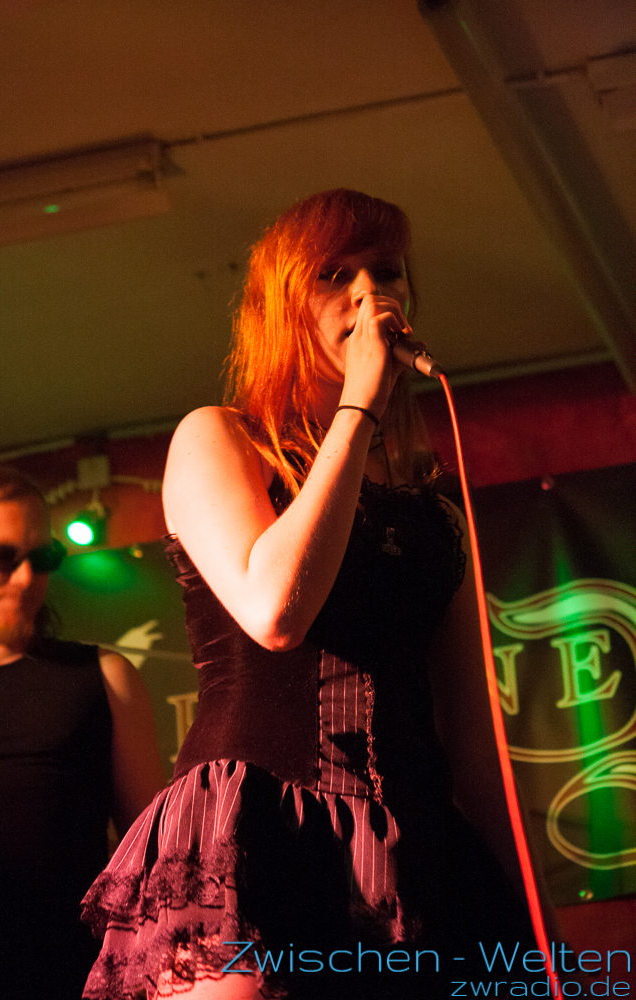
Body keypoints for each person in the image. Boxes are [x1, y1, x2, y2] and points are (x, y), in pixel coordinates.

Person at [81, 189, 551, 1000]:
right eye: (335, 274)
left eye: (386, 271)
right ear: (280, 308)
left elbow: (472, 742)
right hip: (257, 826)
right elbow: (274, 613)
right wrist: (358, 404)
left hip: (417, 846)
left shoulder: (433, 513)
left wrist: (534, 928)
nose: (369, 292)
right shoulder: (217, 438)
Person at [0, 465, 165, 999]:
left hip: (73, 978)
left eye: (43, 559)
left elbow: (154, 861)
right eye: (3, 556)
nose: (26, 579)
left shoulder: (103, 675)